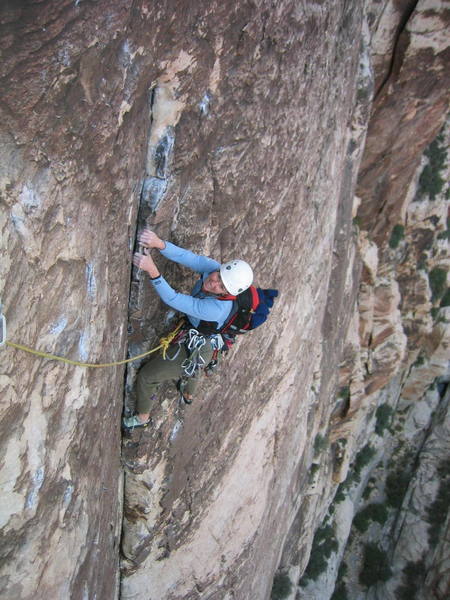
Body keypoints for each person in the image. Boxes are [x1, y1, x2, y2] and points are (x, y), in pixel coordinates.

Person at [122, 229, 253, 428]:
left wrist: (152, 270)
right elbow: (188, 257)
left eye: (221, 287)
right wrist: (159, 243)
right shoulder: (214, 269)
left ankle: (143, 418)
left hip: (200, 345)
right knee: (195, 368)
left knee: (149, 376)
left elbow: (173, 298)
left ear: (228, 294)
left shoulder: (215, 310)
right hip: (197, 333)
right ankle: (189, 392)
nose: (214, 282)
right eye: (218, 277)